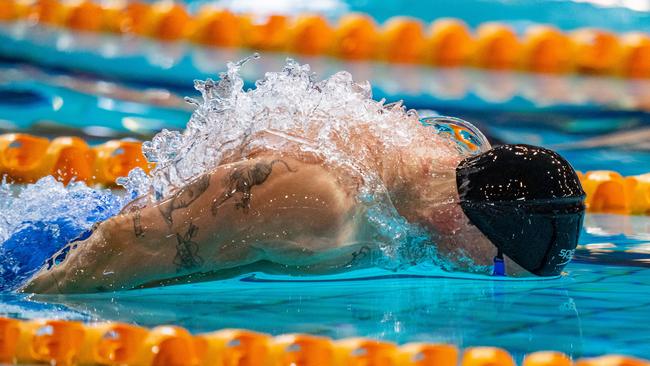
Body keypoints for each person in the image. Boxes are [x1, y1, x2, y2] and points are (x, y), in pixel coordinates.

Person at [20, 125, 585, 293]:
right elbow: (124, 241)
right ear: (461, 218)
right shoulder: (322, 207)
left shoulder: (461, 157)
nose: (473, 275)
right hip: (49, 244)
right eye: (490, 267)